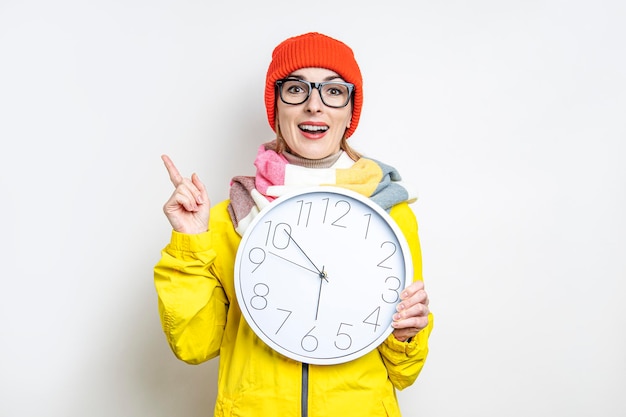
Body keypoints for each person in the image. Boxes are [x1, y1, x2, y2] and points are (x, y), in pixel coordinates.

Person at [154, 32, 433, 417]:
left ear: (350, 110)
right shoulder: (226, 218)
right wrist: (189, 242)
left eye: (333, 91)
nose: (314, 106)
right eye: (296, 89)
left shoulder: (390, 215)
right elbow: (194, 345)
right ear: (276, 107)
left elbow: (404, 373)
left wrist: (407, 335)